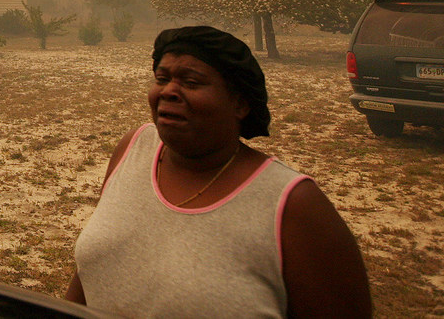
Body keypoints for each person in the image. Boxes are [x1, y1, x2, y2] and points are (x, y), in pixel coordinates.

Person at [66, 25, 371, 318]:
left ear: (239, 103)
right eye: (162, 78)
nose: (169, 91)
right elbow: (92, 271)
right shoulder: (132, 149)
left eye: (192, 82)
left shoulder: (294, 206)